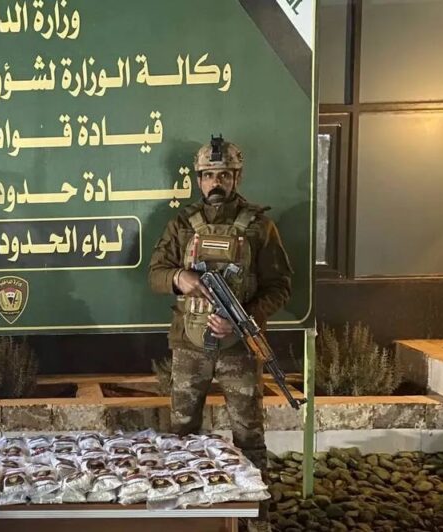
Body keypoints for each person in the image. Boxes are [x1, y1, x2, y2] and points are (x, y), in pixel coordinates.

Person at [148, 135, 292, 532]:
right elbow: (154, 274)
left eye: (224, 175)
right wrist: (180, 277)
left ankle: (255, 519)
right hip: (189, 347)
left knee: (249, 437)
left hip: (239, 349)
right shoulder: (181, 224)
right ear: (198, 179)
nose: (216, 182)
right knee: (182, 435)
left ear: (237, 177)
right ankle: (184, 515)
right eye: (209, 175)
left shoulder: (260, 226)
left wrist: (244, 318)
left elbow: (281, 286)